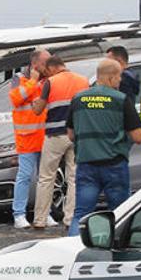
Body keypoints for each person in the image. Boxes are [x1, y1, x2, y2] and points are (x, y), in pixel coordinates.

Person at [65, 59, 141, 236]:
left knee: (81, 214)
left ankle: (71, 251)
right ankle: (117, 253)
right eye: (119, 78)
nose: (120, 82)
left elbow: (71, 135)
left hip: (86, 165)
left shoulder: (78, 99)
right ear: (111, 78)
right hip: (114, 166)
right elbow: (138, 137)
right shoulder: (120, 100)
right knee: (120, 213)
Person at [31, 56, 90, 229]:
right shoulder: (83, 81)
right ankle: (70, 219)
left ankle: (40, 220)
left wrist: (36, 102)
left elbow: (38, 110)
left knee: (46, 177)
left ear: (50, 69)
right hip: (77, 134)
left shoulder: (50, 82)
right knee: (74, 178)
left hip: (55, 135)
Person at [7, 49, 50, 229]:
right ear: (35, 65)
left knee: (45, 177)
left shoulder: (48, 80)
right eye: (46, 62)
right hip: (27, 138)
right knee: (24, 176)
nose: (49, 65)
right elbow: (16, 98)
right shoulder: (19, 79)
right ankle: (19, 214)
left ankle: (44, 213)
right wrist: (33, 81)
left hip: (46, 137)